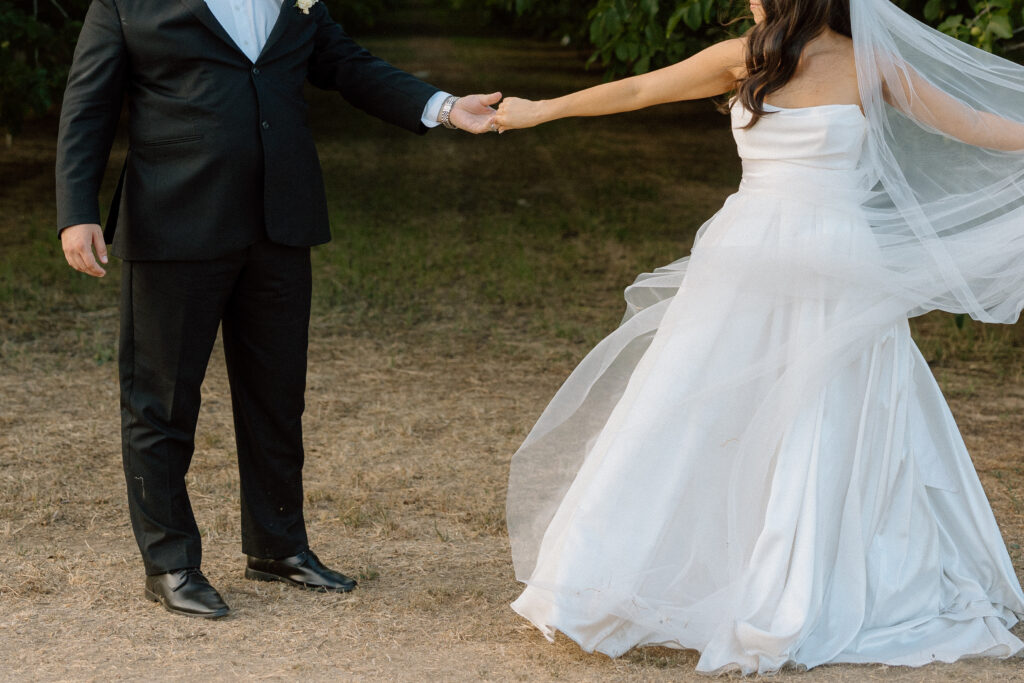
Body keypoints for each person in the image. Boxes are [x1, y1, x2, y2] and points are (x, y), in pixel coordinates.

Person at [495, 0, 1024, 673]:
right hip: (744, 252)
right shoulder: (744, 57)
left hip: (837, 259)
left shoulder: (873, 65)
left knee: (828, 411)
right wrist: (540, 109)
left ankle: (817, 574)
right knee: (694, 402)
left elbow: (974, 124)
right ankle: (676, 566)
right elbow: (637, 89)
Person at [56, 0, 500, 619]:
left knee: (276, 394)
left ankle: (277, 546)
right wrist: (77, 209)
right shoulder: (126, 4)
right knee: (160, 399)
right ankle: (170, 562)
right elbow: (88, 106)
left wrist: (448, 108)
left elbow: (350, 66)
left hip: (280, 222)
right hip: (174, 221)